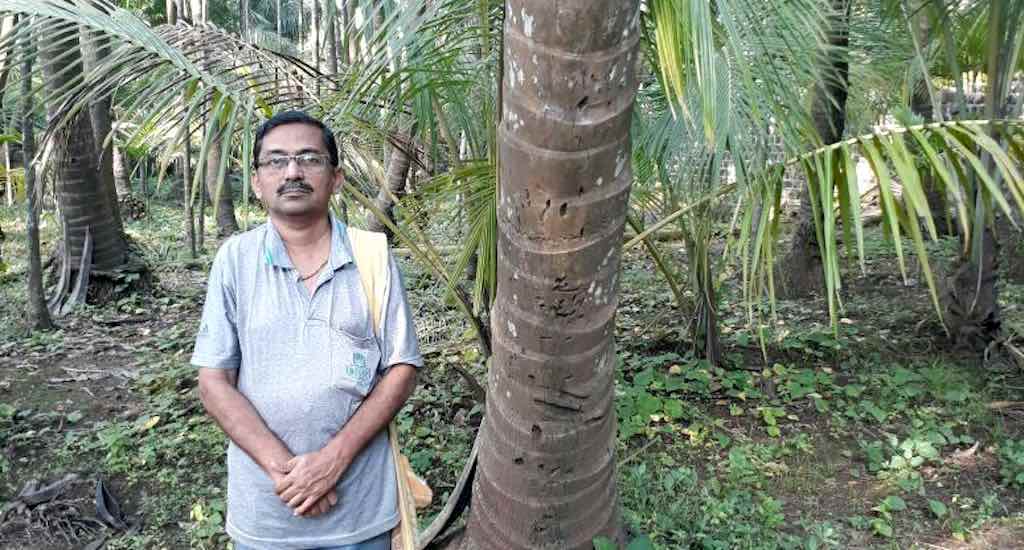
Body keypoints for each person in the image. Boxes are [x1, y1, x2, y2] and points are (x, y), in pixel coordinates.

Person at [192, 110, 422, 550]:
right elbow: (213, 381)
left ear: (335, 178)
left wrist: (333, 461)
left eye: (308, 159)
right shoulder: (234, 260)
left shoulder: (372, 256)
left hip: (361, 511)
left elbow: (402, 368)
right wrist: (291, 474)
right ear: (257, 181)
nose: (292, 171)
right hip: (267, 516)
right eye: (276, 161)